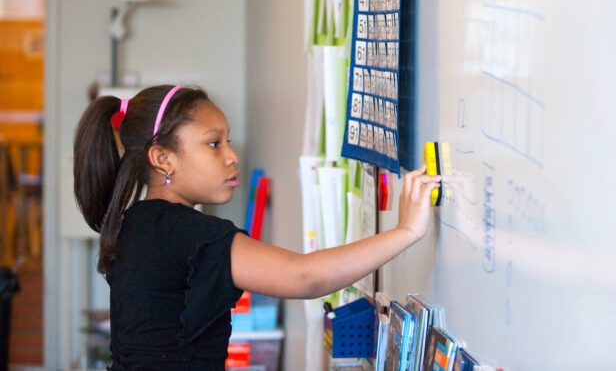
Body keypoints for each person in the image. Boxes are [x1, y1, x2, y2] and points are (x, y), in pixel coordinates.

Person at [72, 84, 440, 370]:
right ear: (162, 158)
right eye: (213, 144)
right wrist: (405, 231)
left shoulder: (136, 223)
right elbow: (305, 277)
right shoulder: (188, 235)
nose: (231, 156)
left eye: (227, 141)